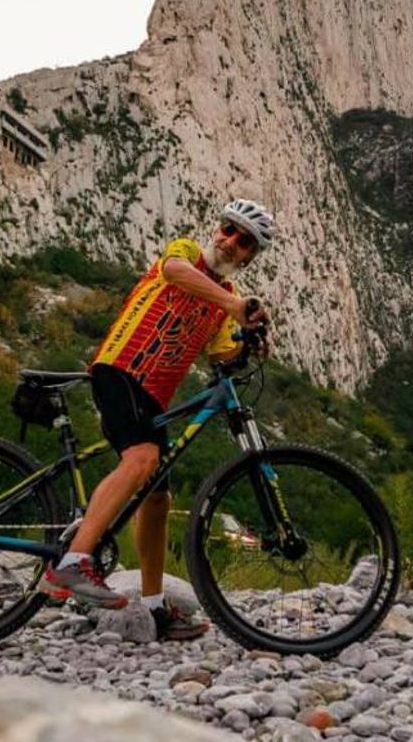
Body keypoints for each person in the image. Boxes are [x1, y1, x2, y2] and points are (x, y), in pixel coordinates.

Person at [38, 198, 275, 640]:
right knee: (142, 457)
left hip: (152, 396)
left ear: (249, 256)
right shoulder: (185, 251)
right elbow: (174, 273)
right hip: (120, 370)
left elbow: (223, 352)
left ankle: (153, 608)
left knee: (157, 499)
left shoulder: (226, 303)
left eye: (243, 241)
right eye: (228, 229)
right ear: (217, 228)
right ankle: (73, 560)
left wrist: (251, 342)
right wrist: (234, 304)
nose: (230, 242)